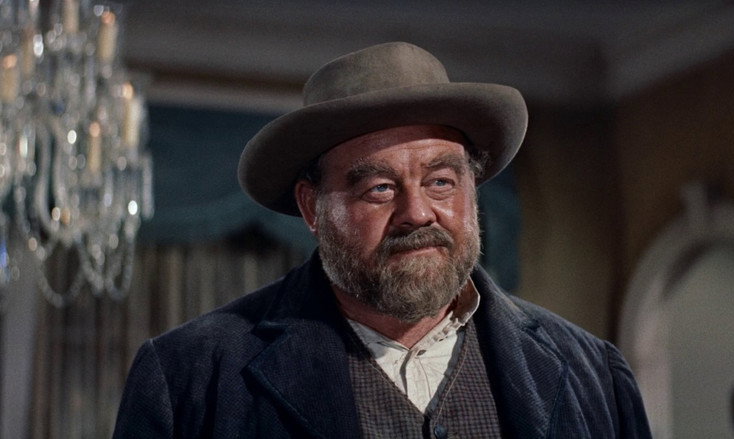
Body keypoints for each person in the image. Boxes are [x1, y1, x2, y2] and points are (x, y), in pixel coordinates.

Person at [113, 42, 651, 438]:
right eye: (380, 188)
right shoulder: (190, 376)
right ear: (312, 208)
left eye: (441, 182)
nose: (417, 213)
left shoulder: (595, 375)